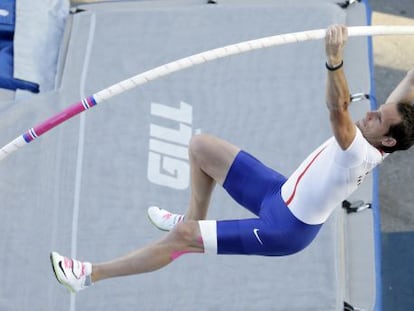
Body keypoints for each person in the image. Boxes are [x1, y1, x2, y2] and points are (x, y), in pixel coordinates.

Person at [50, 24, 414, 293]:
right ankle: (193, 217)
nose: (370, 113)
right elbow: (409, 82)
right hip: (279, 193)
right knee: (201, 147)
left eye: (378, 118)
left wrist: (335, 62)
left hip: (285, 229)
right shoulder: (381, 132)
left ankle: (88, 275)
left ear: (386, 139)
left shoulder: (360, 152)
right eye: (377, 110)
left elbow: (337, 108)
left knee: (184, 237)